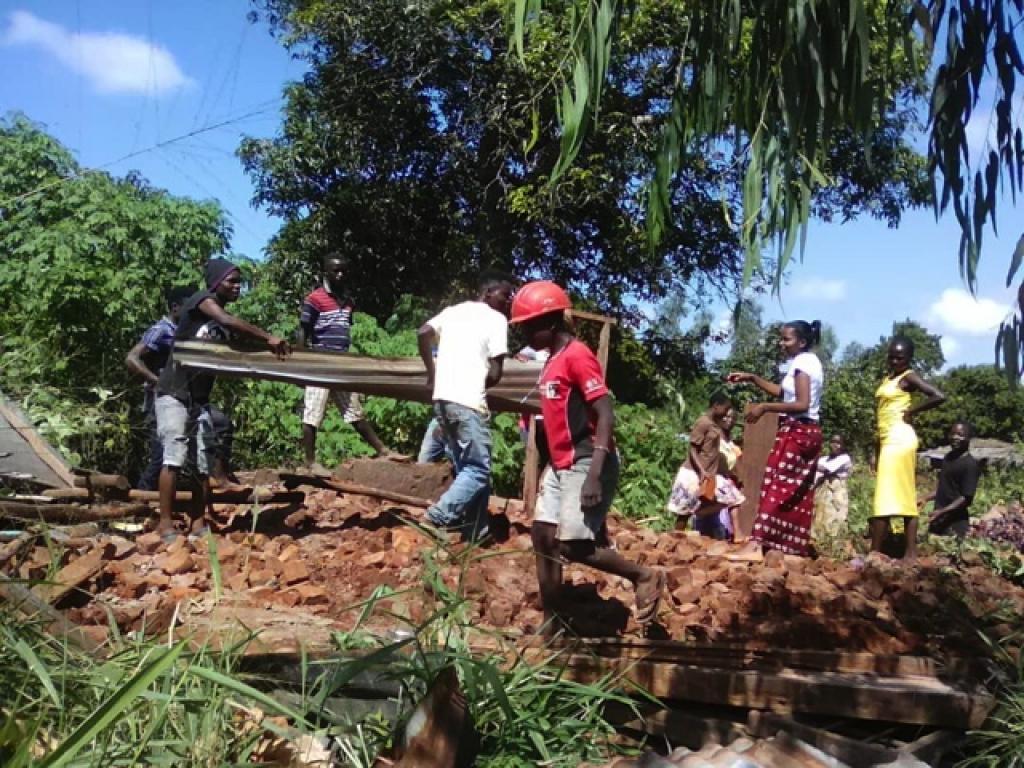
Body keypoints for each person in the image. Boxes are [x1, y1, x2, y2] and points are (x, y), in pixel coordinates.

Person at [510, 280, 664, 633]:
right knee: (543, 538)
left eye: (529, 327)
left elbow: (605, 413)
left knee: (574, 546)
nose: (526, 336)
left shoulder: (578, 355)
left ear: (549, 323)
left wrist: (594, 473)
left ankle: (644, 577)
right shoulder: (551, 361)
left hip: (586, 460)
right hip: (562, 464)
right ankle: (554, 619)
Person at [154, 259, 290, 536]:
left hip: (198, 398)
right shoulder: (201, 301)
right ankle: (165, 523)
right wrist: (268, 338)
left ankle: (197, 521)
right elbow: (227, 319)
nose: (238, 287)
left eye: (240, 282)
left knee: (202, 461)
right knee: (175, 457)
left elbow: (236, 343)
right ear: (217, 283)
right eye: (232, 281)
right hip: (174, 392)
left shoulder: (221, 329)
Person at [417, 271, 514, 539]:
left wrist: (431, 373)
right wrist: (479, 383)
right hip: (468, 403)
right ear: (488, 294)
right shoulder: (496, 319)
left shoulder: (453, 311)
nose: (509, 302)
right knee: (478, 471)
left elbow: (423, 332)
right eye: (505, 295)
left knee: (467, 468)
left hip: (443, 401)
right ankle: (438, 517)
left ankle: (476, 530)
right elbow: (495, 372)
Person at [726, 320, 825, 556]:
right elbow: (783, 392)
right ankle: (787, 546)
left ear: (801, 341)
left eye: (786, 339)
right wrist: (752, 378)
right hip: (804, 431)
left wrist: (765, 408)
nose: (782, 344)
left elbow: (801, 404)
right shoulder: (805, 363)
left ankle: (757, 544)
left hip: (799, 430)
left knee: (776, 486)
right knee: (791, 491)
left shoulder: (803, 363)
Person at [126, 287, 237, 490]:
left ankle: (219, 478)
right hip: (162, 398)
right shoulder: (161, 330)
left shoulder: (191, 331)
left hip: (189, 398)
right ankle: (144, 499)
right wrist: (156, 381)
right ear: (176, 307)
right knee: (162, 456)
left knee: (221, 425)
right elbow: (132, 358)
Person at [299, 254, 396, 473]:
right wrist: (300, 363)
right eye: (335, 271)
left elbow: (343, 329)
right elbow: (303, 331)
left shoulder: (349, 301)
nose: (340, 275)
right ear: (326, 273)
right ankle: (310, 462)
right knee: (313, 412)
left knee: (353, 410)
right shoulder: (315, 299)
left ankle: (383, 450)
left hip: (341, 363)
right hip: (319, 363)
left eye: (343, 270)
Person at [870, 336, 946, 559]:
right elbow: (882, 417)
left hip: (900, 439)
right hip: (888, 440)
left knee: (888, 495)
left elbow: (939, 396)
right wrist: (877, 451)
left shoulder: (908, 377)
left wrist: (913, 412)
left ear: (909, 359)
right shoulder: (888, 378)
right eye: (891, 356)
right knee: (896, 494)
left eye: (899, 358)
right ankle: (903, 551)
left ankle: (885, 552)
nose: (894, 361)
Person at [666, 393, 737, 534]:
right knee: (683, 512)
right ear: (716, 406)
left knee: (728, 498)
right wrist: (701, 470)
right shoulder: (703, 422)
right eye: (725, 408)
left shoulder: (715, 425)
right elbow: (692, 449)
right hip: (693, 473)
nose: (725, 413)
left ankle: (695, 517)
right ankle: (674, 538)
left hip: (708, 474)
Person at [921, 422, 980, 538]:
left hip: (955, 525)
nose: (955, 438)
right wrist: (925, 497)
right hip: (938, 520)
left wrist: (942, 511)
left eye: (960, 435)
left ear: (968, 438)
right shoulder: (948, 458)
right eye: (952, 434)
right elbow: (943, 487)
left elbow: (966, 498)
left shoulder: (970, 464)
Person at [812, 434, 853, 540]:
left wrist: (811, 463)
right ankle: (819, 538)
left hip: (837, 488)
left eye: (839, 443)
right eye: (834, 442)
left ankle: (834, 540)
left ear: (843, 445)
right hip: (823, 488)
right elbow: (819, 470)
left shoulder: (845, 458)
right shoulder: (824, 458)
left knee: (836, 514)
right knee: (819, 513)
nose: (836, 445)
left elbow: (829, 469)